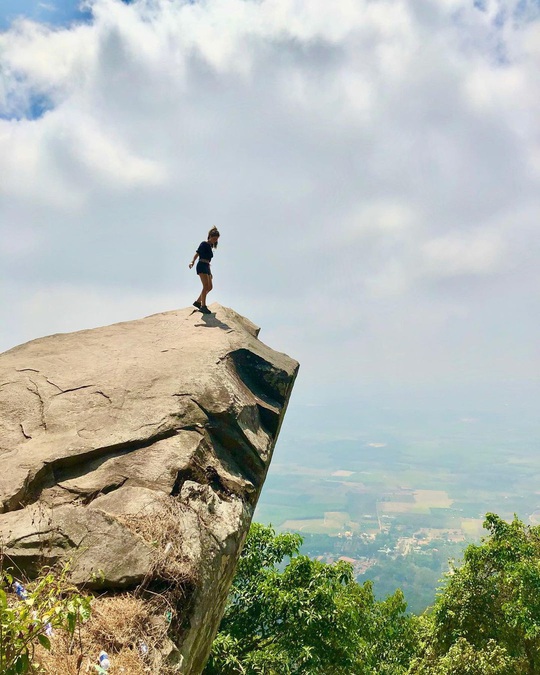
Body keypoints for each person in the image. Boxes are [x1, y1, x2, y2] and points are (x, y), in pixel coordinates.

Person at [189, 227, 220, 314]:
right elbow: (197, 253)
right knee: (205, 286)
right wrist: (192, 261)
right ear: (210, 236)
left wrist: (210, 272)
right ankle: (203, 306)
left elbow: (209, 261)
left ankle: (198, 302)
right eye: (214, 238)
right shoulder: (204, 243)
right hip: (201, 265)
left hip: (207, 267)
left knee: (210, 287)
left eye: (216, 239)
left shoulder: (210, 247)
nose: (215, 240)